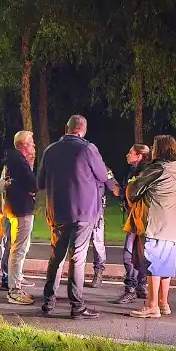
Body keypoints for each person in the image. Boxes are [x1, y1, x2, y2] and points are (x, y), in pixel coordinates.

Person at [36, 115, 119, 318]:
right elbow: (102, 175)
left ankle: (48, 302)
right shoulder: (88, 149)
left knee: (56, 258)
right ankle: (77, 306)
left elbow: (40, 182)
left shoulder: (50, 150)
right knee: (77, 258)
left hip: (57, 213)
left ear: (67, 128)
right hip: (83, 213)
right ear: (83, 130)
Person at [127, 135, 176, 318]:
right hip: (173, 226)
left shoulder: (157, 168)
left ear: (159, 149)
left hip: (155, 224)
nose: (151, 149)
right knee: (165, 266)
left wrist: (129, 186)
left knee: (153, 265)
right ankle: (163, 303)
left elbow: (134, 190)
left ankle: (152, 306)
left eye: (154, 146)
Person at [1, 131, 38, 304]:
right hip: (21, 209)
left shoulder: (15, 161)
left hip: (19, 208)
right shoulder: (18, 162)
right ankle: (14, 291)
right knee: (18, 249)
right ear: (23, 145)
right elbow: (33, 183)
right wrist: (32, 187)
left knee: (20, 248)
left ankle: (16, 284)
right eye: (31, 143)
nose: (34, 146)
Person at [115, 144, 151, 303]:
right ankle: (140, 287)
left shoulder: (143, 172)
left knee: (129, 254)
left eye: (131, 152)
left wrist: (121, 192)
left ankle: (131, 289)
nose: (127, 155)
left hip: (139, 219)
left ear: (139, 156)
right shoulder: (134, 170)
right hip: (136, 218)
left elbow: (135, 191)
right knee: (140, 254)